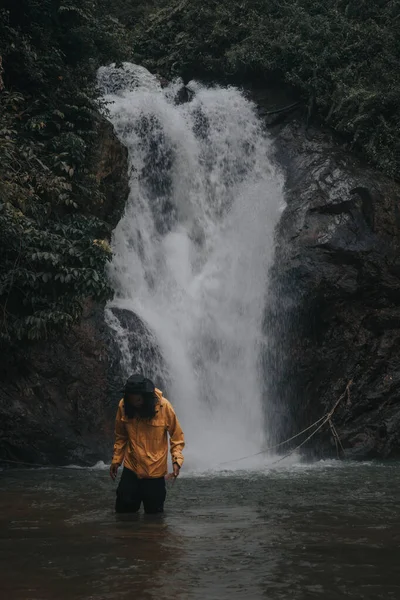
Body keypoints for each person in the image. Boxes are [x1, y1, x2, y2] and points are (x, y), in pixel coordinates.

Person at [110, 374, 185, 514]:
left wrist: (177, 460)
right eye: (131, 400)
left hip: (155, 473)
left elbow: (177, 436)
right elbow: (121, 436)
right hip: (131, 469)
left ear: (145, 396)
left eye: (138, 400)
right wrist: (116, 460)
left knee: (155, 520)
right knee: (123, 516)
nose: (135, 403)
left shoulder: (164, 406)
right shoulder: (123, 405)